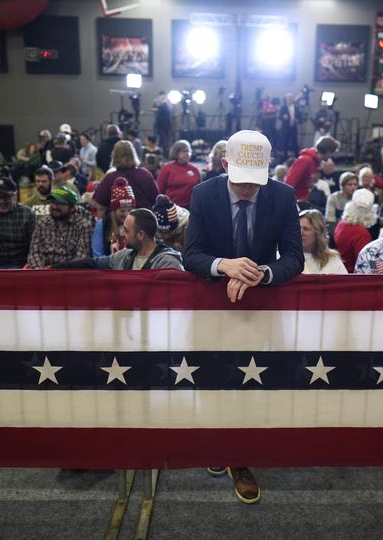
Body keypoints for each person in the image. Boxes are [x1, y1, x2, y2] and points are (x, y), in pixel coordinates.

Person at [183, 129, 302, 505]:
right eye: (241, 181)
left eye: (256, 181)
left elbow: (295, 258)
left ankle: (242, 458)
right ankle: (220, 444)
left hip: (261, 304)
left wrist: (260, 274)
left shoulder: (282, 196)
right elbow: (192, 255)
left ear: (269, 168)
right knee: (213, 378)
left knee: (253, 382)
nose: (250, 189)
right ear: (223, 166)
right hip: (212, 302)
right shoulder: (204, 193)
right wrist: (226, 266)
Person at [54, 208, 184, 271]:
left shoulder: (168, 263)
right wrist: (56, 268)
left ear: (140, 234)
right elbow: (93, 263)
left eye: (127, 231)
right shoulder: (124, 256)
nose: (123, 234)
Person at [26, 186, 93, 268]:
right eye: (53, 202)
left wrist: (59, 271)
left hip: (71, 273)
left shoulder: (83, 226)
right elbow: (34, 252)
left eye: (60, 203)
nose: (54, 206)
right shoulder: (42, 223)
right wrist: (41, 270)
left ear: (72, 208)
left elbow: (82, 257)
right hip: (44, 272)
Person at [333, 189, 376, 273]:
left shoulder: (341, 224)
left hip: (338, 272)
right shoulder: (362, 234)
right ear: (371, 211)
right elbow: (365, 265)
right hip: (350, 278)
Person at [284, 136, 340, 201]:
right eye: (332, 153)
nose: (332, 156)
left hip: (304, 200)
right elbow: (288, 183)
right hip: (297, 202)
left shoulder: (316, 162)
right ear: (328, 152)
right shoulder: (305, 160)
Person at [93, 177, 135, 257]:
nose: (126, 214)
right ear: (114, 211)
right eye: (122, 211)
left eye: (130, 210)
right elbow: (97, 254)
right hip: (108, 267)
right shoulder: (102, 224)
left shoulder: (138, 222)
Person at [299, 209, 347, 274]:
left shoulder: (332, 260)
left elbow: (343, 283)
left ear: (318, 233)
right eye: (298, 228)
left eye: (306, 229)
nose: (300, 232)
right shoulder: (287, 258)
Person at [157, 140, 200, 208]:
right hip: (171, 208)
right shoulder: (167, 168)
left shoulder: (194, 169)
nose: (187, 153)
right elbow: (159, 190)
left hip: (191, 208)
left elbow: (199, 190)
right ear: (176, 152)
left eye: (188, 151)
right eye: (184, 151)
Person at [278, 93, 302, 158]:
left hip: (294, 127)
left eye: (291, 98)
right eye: (289, 98)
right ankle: (285, 157)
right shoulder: (283, 107)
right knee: (285, 142)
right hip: (286, 128)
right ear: (286, 99)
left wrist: (298, 120)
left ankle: (296, 157)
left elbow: (300, 117)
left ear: (293, 99)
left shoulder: (296, 107)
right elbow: (279, 116)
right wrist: (283, 117)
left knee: (295, 142)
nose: (290, 99)